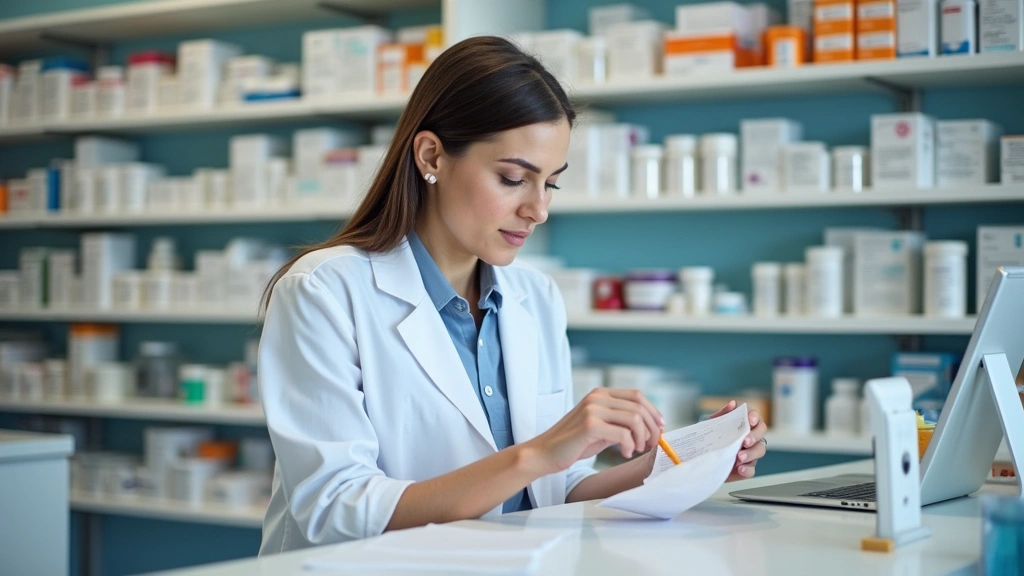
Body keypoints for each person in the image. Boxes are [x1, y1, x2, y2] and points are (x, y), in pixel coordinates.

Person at [257, 36, 768, 555]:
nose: (538, 209)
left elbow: (554, 491)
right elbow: (335, 509)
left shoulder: (535, 297)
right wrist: (543, 452)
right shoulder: (323, 290)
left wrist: (686, 459)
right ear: (431, 154)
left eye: (551, 184)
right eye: (513, 178)